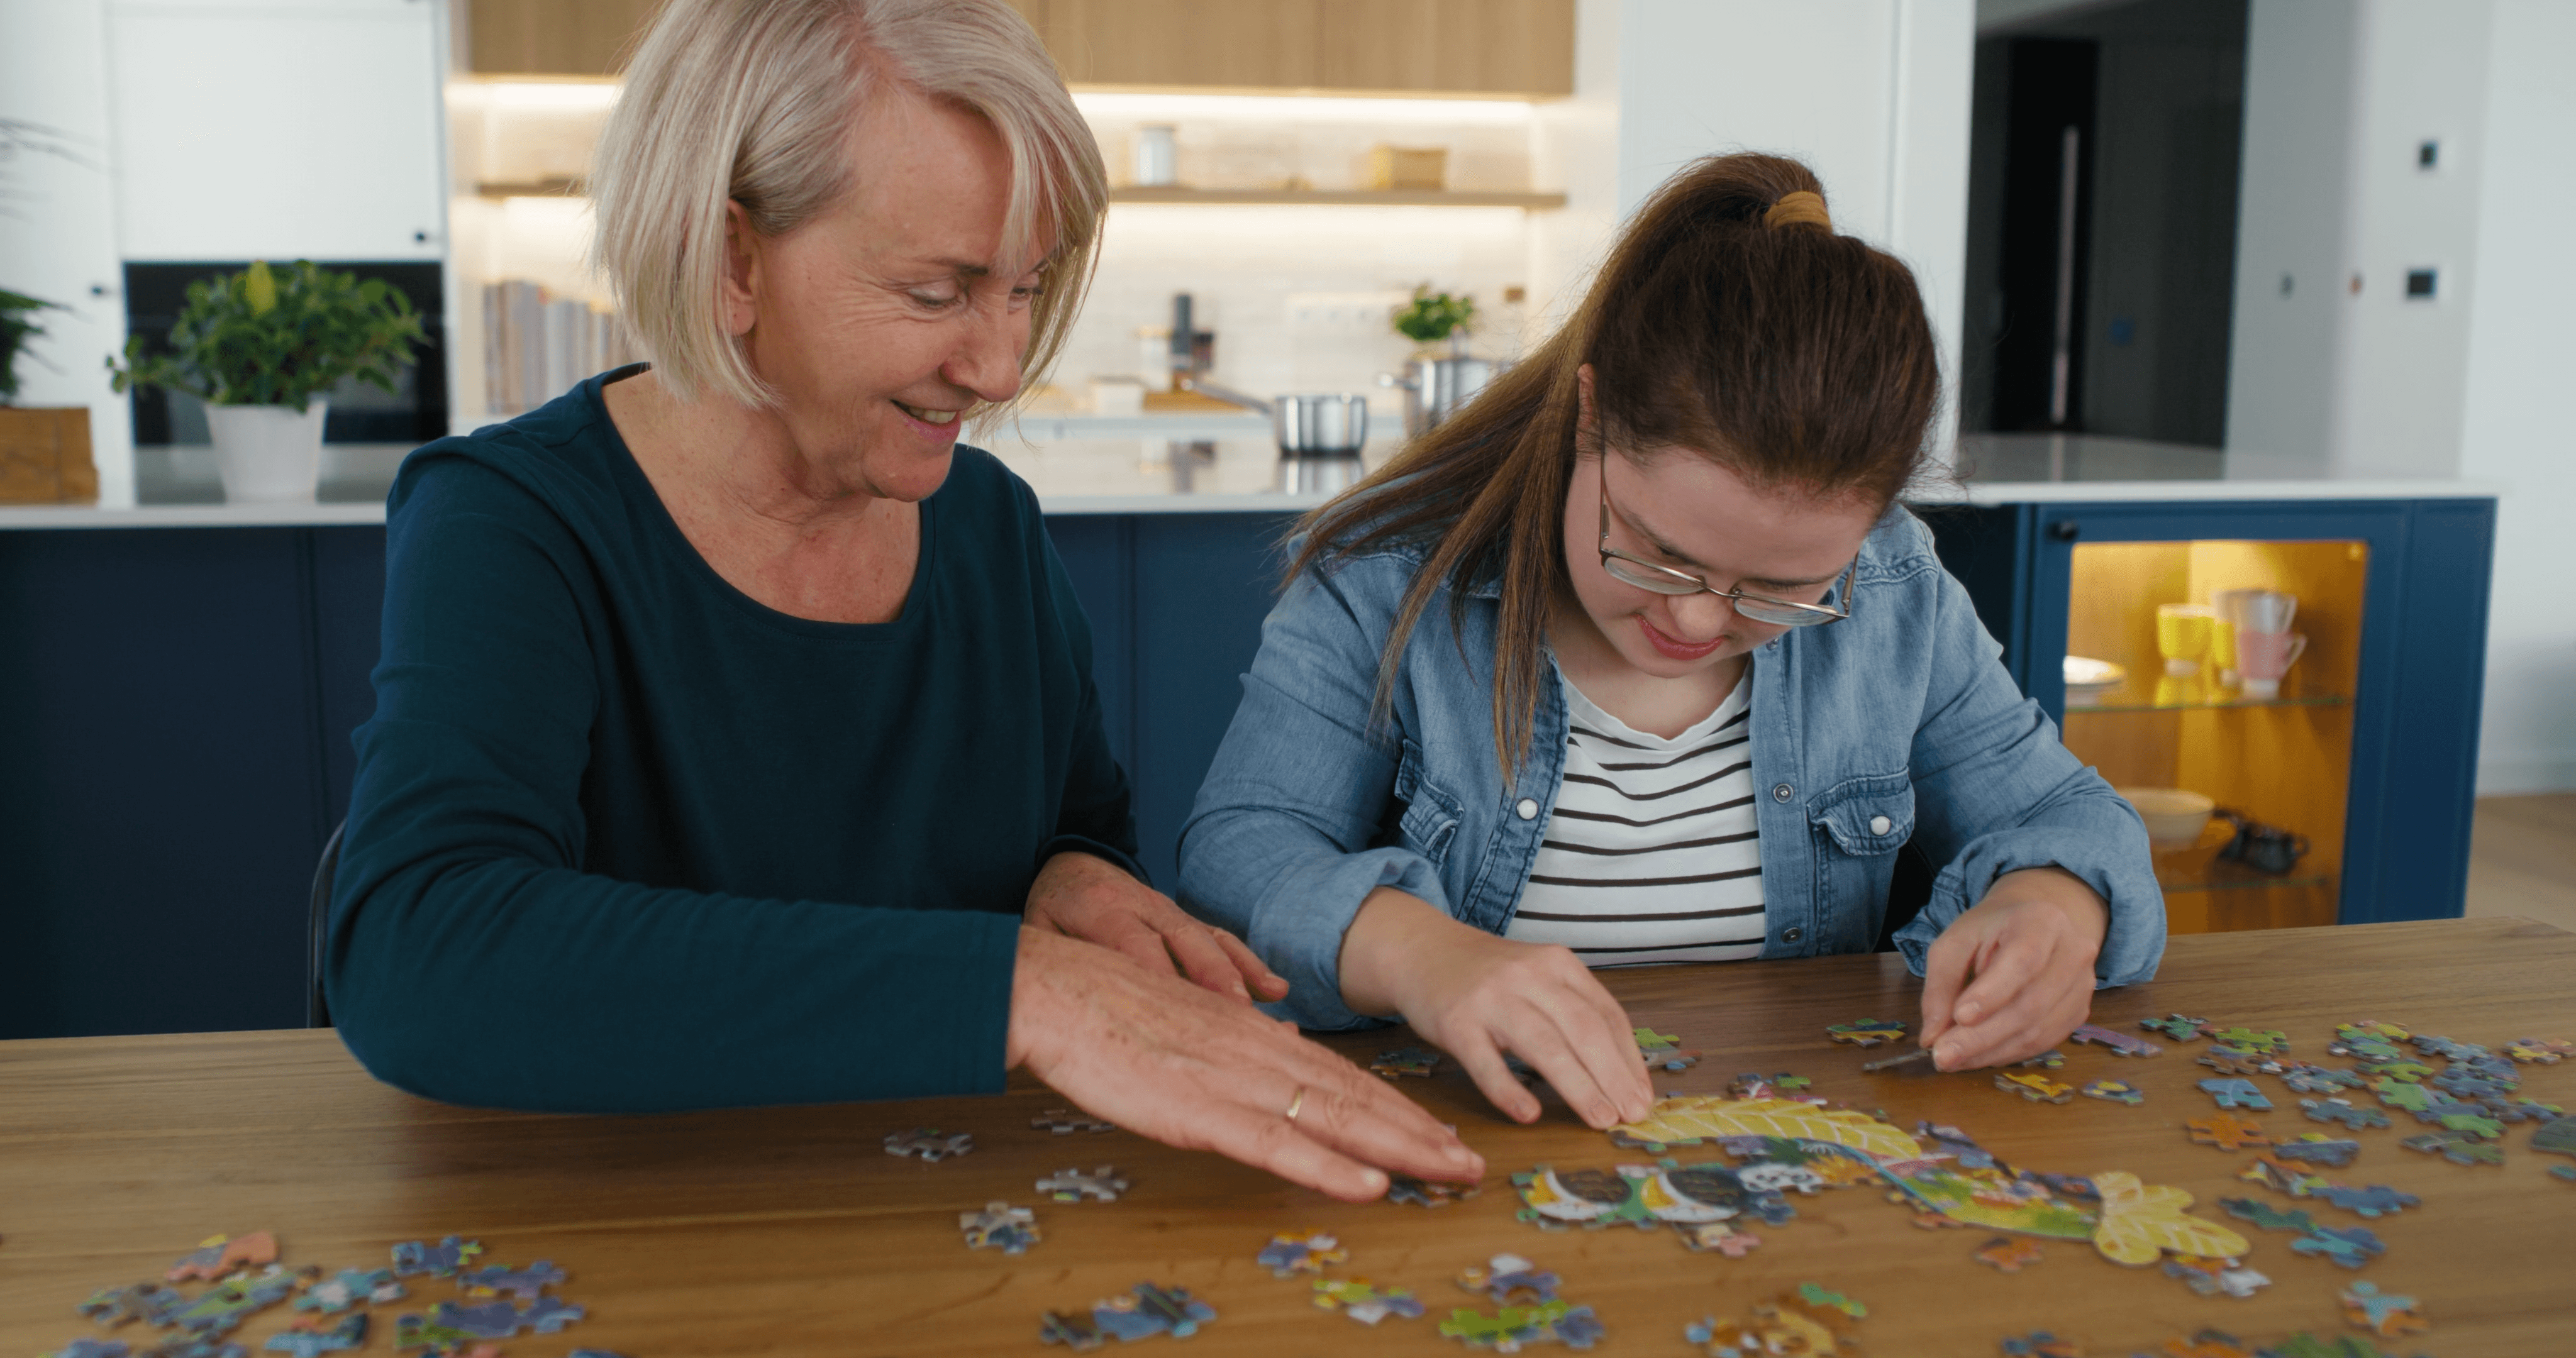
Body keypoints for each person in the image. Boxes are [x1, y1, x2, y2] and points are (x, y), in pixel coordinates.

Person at [326, 0, 1479, 1202]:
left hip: (933, 1211)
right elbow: (421, 946)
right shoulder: (513, 522)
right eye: (938, 294)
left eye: (1027, 288)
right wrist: (1018, 990)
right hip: (626, 1225)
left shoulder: (988, 527)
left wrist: (1073, 885)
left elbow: (1069, 831)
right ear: (732, 263)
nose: (1000, 367)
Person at [1179, 154, 2164, 1132]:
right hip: (1468, 1142)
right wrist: (1418, 953)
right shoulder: (1385, 580)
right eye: (1657, 552)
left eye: (1783, 589)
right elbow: (1241, 851)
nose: (1697, 620)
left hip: (1795, 1147)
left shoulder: (1897, 591)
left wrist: (2057, 905)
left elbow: (2068, 813)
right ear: (1592, 416)